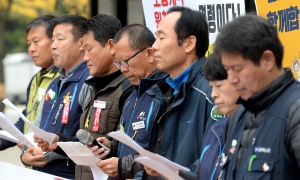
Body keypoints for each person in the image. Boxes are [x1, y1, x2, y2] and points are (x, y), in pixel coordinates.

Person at [34, 14, 134, 180]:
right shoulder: (93, 87)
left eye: (88, 49)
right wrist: (58, 142)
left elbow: (126, 150)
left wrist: (109, 148)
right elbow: (89, 143)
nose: (85, 57)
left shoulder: (127, 89)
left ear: (110, 46)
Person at [214, 14, 300, 180]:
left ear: (268, 60)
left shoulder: (295, 111)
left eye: (237, 69)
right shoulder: (240, 113)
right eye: (227, 70)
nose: (231, 79)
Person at [89, 24, 169, 179]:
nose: (122, 69)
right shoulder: (132, 95)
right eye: (118, 63)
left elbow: (163, 154)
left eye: (125, 61)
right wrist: (110, 146)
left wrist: (123, 166)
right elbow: (130, 142)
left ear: (150, 54)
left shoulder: (165, 94)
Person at [144, 6, 215, 179]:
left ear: (189, 43)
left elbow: (216, 158)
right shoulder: (166, 88)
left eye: (161, 37)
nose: (154, 46)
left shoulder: (212, 90)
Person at [21, 15, 89, 179]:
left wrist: (47, 154)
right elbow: (37, 126)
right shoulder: (54, 83)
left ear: (81, 43)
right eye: (52, 40)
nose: (53, 46)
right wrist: (25, 152)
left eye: (60, 39)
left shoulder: (89, 81)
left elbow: (89, 140)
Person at [0, 15, 60, 150]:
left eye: (36, 41)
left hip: (48, 157)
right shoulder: (36, 79)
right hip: (31, 157)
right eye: (28, 44)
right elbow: (26, 119)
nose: (31, 49)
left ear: (54, 41)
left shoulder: (62, 79)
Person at [179, 53, 239, 180]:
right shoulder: (214, 130)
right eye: (211, 87)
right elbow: (199, 176)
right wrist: (170, 172)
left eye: (218, 86)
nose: (213, 94)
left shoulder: (259, 130)